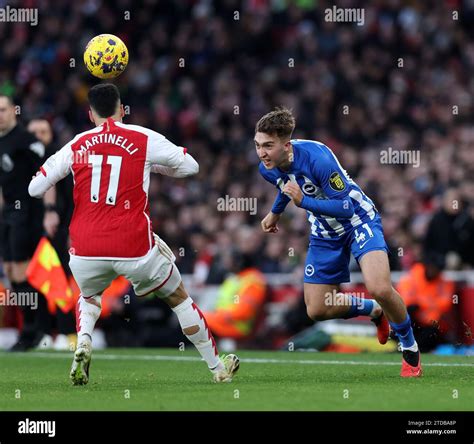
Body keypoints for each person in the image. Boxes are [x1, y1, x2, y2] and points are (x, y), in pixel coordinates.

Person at [28, 83, 239, 385]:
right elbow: (191, 167)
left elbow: (34, 188)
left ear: (90, 115)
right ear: (122, 110)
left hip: (85, 247)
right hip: (134, 246)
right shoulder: (143, 137)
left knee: (89, 297)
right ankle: (217, 367)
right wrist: (153, 166)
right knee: (179, 299)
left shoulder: (77, 143)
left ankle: (84, 342)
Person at [255, 107, 421, 377]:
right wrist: (275, 212)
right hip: (324, 232)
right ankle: (372, 310)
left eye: (268, 146)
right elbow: (287, 185)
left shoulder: (318, 159)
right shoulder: (268, 168)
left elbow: (345, 207)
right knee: (317, 309)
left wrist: (303, 202)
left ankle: (409, 346)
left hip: (359, 221)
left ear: (286, 145)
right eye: (258, 145)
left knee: (379, 286)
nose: (261, 153)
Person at [0, 95, 46, 351]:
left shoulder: (26, 141)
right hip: (7, 214)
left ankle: (34, 329)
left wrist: (46, 212)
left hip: (25, 213)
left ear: (14, 112)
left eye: (3, 109)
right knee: (10, 273)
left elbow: (45, 174)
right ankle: (30, 329)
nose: (0, 114)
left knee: (21, 272)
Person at [27, 118, 76, 350]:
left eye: (43, 131)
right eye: (34, 131)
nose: (38, 135)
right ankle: (42, 332)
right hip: (28, 231)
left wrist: (69, 230)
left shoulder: (61, 162)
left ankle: (66, 332)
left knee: (59, 281)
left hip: (57, 231)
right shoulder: (21, 161)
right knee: (35, 282)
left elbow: (74, 201)